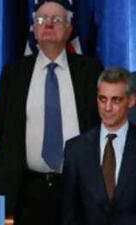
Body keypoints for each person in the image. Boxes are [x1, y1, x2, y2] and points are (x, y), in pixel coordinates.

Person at [0, 1, 104, 225]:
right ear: (33, 28)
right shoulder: (14, 72)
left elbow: (103, 125)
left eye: (57, 20)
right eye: (41, 20)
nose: (48, 25)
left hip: (79, 187)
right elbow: (0, 130)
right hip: (28, 191)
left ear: (69, 30)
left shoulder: (90, 71)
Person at [61, 67, 136, 225]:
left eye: (116, 100)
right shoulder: (75, 149)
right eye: (103, 99)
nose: (107, 108)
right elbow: (69, 213)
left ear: (131, 100)